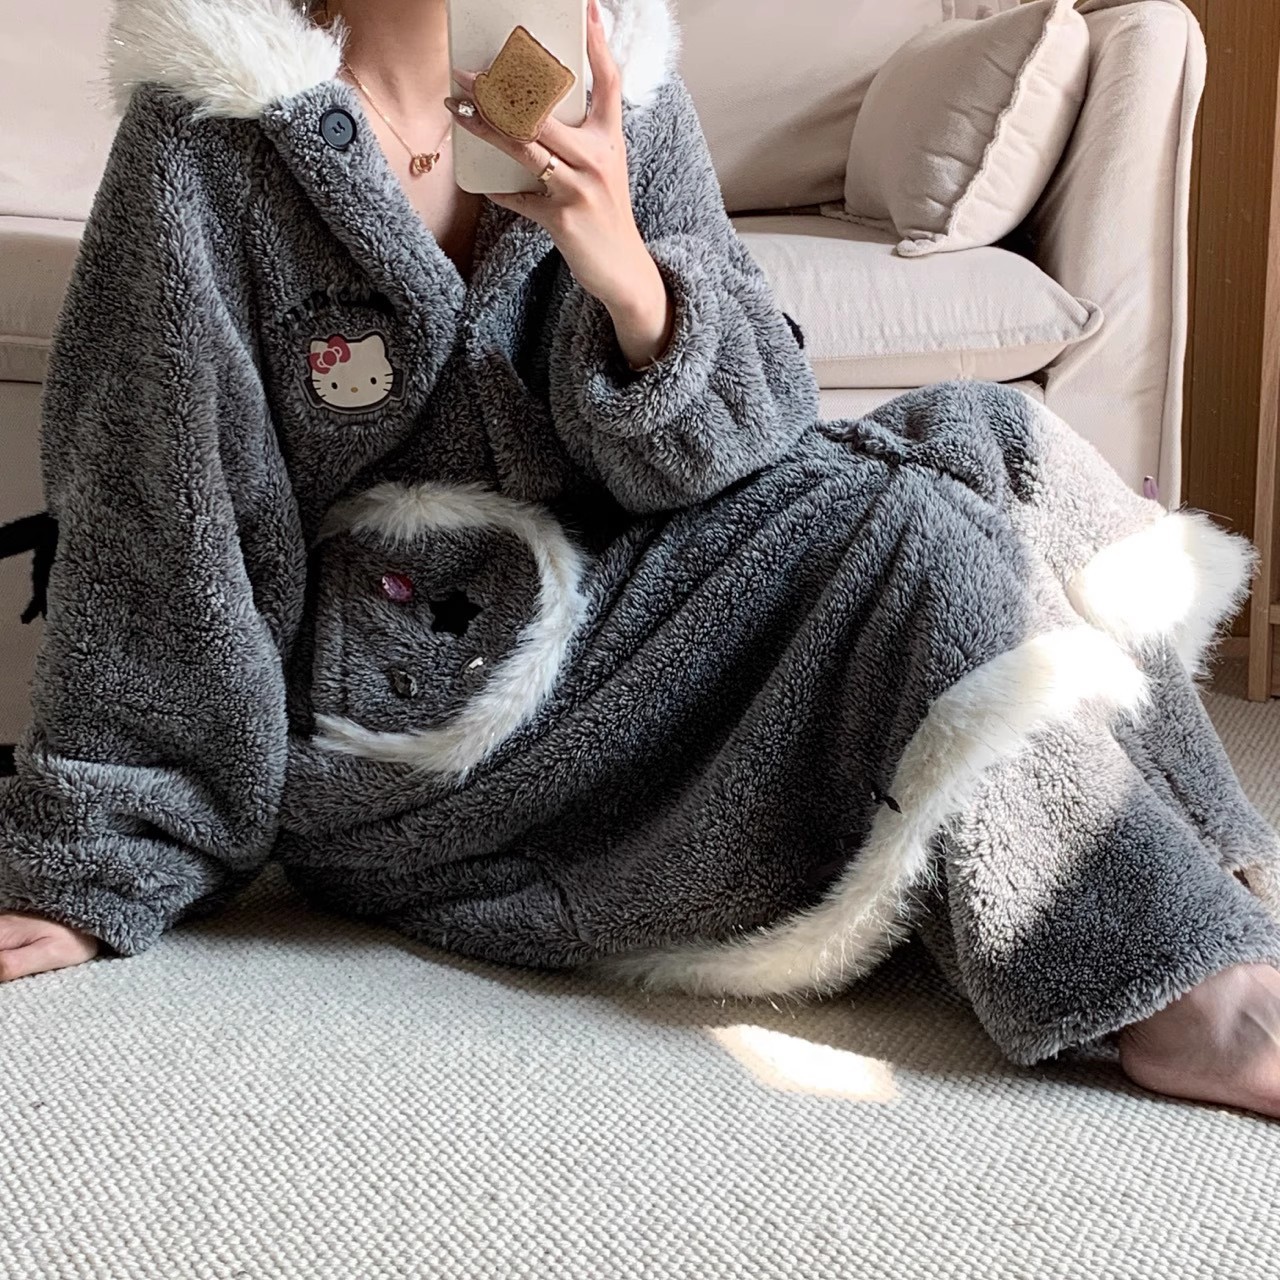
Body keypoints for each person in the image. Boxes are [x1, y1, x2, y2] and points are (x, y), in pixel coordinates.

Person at [1, 0, 1278, 1119]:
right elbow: (154, 506)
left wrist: (621, 268)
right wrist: (97, 857)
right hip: (421, 727)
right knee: (908, 545)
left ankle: (1204, 886)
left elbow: (749, 441)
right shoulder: (206, 138)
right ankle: (1174, 990)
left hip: (632, 603)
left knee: (989, 436)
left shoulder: (613, 81)